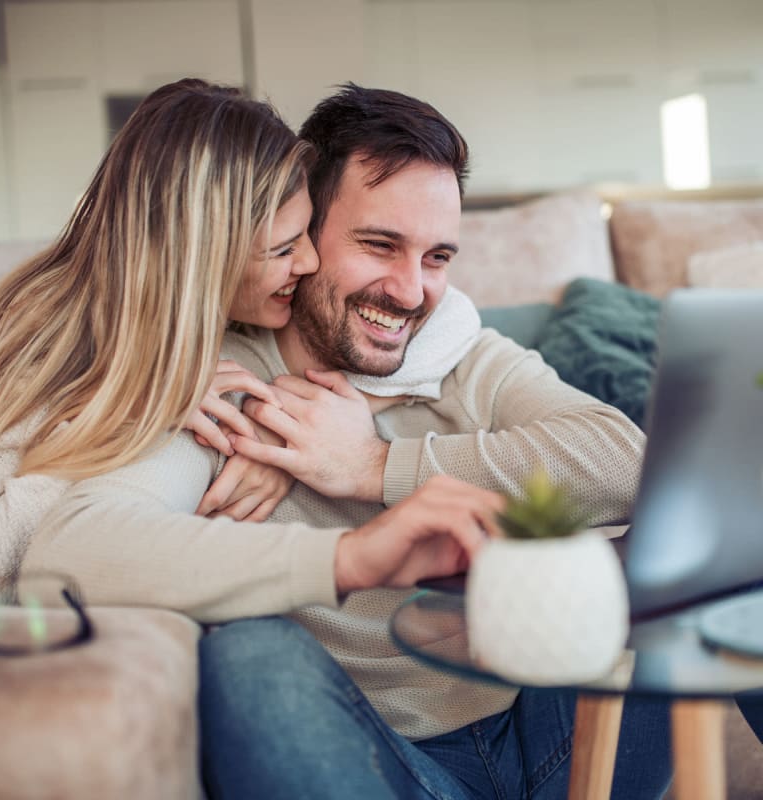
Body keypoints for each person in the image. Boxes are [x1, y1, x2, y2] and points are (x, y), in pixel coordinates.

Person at [191, 84, 675, 799]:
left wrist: (372, 465)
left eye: (437, 257)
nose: (411, 291)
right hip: (380, 761)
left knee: (721, 566)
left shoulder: (463, 354)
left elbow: (624, 462)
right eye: (379, 245)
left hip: (545, 731)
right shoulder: (215, 383)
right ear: (300, 237)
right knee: (247, 653)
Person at [0, 78, 505, 613]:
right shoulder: (45, 338)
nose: (310, 264)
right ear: (205, 255)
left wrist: (284, 429)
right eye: (284, 249)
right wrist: (127, 416)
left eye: (307, 238)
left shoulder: (211, 329)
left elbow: (451, 319)